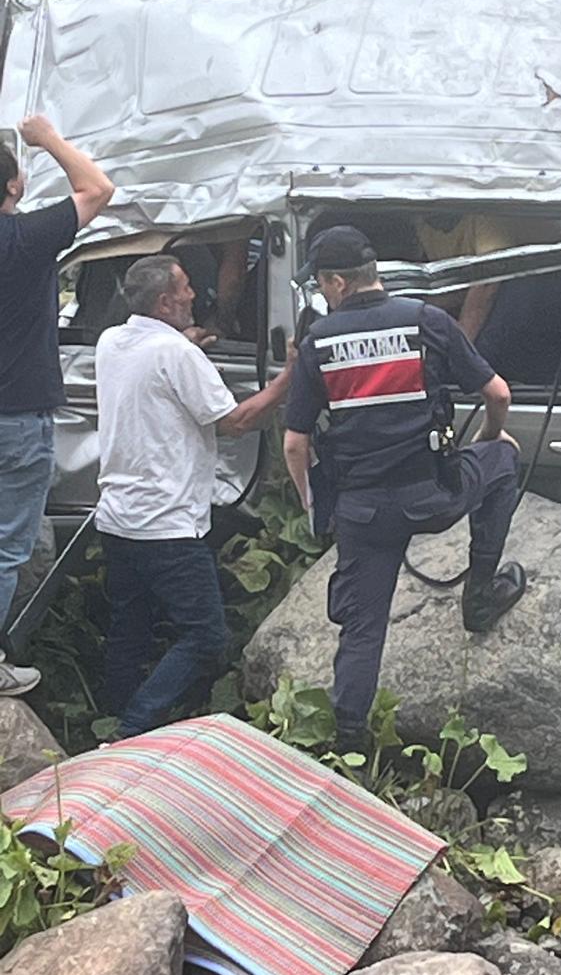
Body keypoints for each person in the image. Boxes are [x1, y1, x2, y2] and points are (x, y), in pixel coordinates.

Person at [282, 228, 526, 753]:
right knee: (503, 462)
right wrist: (488, 436)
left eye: (322, 285)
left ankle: (349, 743)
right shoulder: (426, 320)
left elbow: (295, 444)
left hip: (363, 512)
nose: (323, 294)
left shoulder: (317, 342)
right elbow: (497, 393)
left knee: (363, 630)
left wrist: (312, 504)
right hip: (432, 496)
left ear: (337, 282)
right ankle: (480, 594)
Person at [95, 255, 293, 738]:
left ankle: (109, 726)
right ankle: (134, 731)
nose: (193, 296)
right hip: (168, 526)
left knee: (129, 630)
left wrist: (184, 343)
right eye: (184, 289)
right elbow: (235, 423)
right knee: (206, 637)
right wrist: (292, 376)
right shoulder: (178, 356)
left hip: (117, 519)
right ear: (165, 302)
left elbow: (153, 359)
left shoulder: (111, 342)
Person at [0, 117, 114, 697]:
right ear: (14, 189)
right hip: (17, 417)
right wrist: (47, 139)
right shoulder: (23, 240)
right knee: (6, 545)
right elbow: (97, 189)